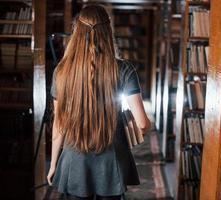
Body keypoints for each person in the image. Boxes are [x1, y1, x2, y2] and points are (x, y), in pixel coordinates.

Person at [47, 5, 151, 200]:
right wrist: (140, 130)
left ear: (77, 31)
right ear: (107, 31)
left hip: (74, 160)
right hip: (111, 162)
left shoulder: (61, 72)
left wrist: (53, 164)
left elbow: (59, 124)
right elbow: (143, 124)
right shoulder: (124, 69)